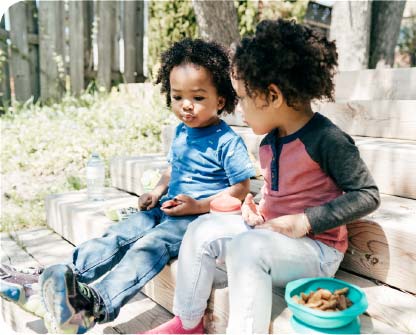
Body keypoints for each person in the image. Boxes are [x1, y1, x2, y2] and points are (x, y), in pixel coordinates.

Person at [1, 38, 256, 334]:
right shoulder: (182, 132)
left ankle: (93, 306)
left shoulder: (227, 141)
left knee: (147, 247)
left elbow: (241, 188)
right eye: (177, 97)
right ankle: (59, 278)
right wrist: (156, 192)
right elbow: (173, 168)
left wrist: (198, 206)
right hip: (166, 208)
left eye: (198, 98)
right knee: (117, 235)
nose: (186, 106)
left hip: (197, 221)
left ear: (220, 100)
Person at [144, 19, 380, 334]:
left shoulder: (327, 139)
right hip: (271, 239)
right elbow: (276, 196)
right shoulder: (270, 141)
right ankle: (188, 323)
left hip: (316, 250)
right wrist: (256, 210)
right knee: (202, 229)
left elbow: (367, 194)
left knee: (247, 248)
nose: (238, 109)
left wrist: (306, 220)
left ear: (272, 96)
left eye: (242, 98)